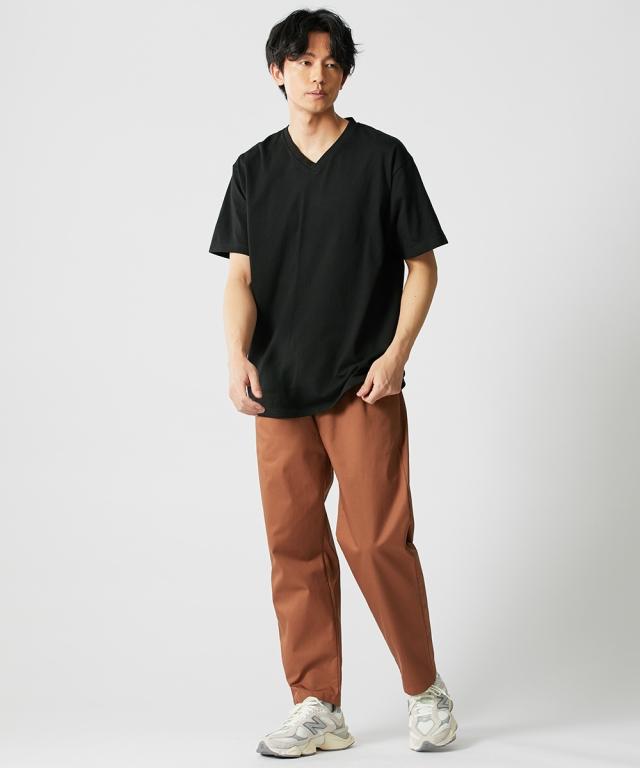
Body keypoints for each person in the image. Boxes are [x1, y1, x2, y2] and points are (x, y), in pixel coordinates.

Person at [208, 8, 458, 757]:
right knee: (293, 546)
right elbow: (240, 276)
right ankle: (317, 704)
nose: (317, 75)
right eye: (303, 61)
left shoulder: (382, 159)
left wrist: (396, 354)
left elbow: (422, 265)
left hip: (362, 384)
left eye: (331, 62)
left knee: (376, 540)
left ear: (344, 73)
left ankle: (426, 691)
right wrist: (236, 356)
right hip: (279, 388)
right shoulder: (253, 169)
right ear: (277, 72)